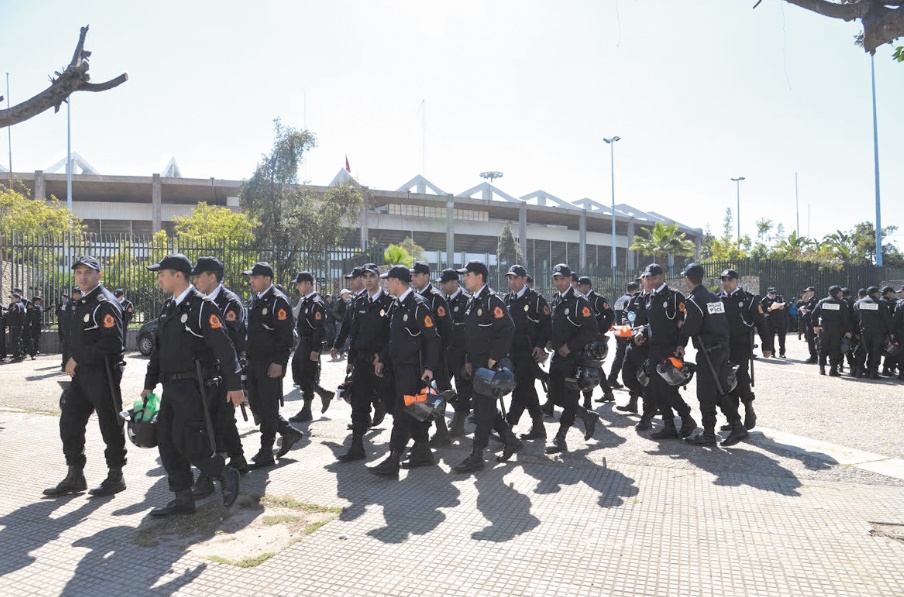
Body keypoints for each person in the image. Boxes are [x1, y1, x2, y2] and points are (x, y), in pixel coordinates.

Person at [141, 254, 242, 516]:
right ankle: (183, 499)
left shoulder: (202, 307)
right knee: (167, 442)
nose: (159, 279)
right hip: (171, 387)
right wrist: (149, 384)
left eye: (162, 274)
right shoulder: (168, 307)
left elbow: (224, 348)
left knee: (188, 442)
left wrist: (235, 384)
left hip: (195, 387)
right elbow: (159, 352)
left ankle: (223, 472)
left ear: (178, 276)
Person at [43, 256, 127, 498]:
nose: (82, 276)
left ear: (99, 275)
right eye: (79, 272)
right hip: (82, 377)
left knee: (109, 425)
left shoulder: (104, 303)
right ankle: (75, 475)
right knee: (69, 421)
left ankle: (115, 475)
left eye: (88, 272)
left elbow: (113, 343)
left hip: (103, 375)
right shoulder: (81, 303)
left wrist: (78, 358)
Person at [369, 265, 442, 477]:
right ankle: (424, 452)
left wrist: (429, 368)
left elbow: (433, 339)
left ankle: (393, 458)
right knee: (415, 412)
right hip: (397, 368)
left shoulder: (418, 305)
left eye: (388, 280)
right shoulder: (396, 305)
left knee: (402, 413)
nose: (385, 284)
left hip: (413, 370)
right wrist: (382, 358)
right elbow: (392, 339)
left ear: (397, 282)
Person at [452, 260, 522, 472]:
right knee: (487, 408)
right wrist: (469, 361)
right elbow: (471, 335)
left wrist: (494, 357)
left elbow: (508, 329)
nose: (464, 278)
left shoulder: (492, 301)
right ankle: (509, 439)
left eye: (467, 275)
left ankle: (477, 455)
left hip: (489, 365)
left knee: (483, 411)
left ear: (479, 277)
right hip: (477, 364)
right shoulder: (473, 301)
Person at [189, 256, 249, 498]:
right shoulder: (201, 302)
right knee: (223, 420)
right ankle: (239, 460)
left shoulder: (229, 302)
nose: (194, 280)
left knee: (213, 425)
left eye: (198, 276)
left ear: (211, 277)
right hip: (209, 373)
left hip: (224, 372)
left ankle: (208, 476)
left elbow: (230, 342)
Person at [679, 263, 748, 447]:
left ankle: (709, 432)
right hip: (722, 347)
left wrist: (681, 326)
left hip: (708, 350)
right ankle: (737, 425)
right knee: (719, 389)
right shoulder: (712, 297)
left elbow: (691, 328)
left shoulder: (694, 300)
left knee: (705, 393)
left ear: (687, 279)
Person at [243, 262, 304, 468]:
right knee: (257, 404)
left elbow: (286, 336)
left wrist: (279, 362)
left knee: (268, 407)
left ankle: (266, 451)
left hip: (270, 364)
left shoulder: (278, 301)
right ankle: (287, 431)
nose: (251, 280)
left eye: (254, 277)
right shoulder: (256, 299)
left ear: (267, 279)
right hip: (254, 361)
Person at [334, 263, 394, 462]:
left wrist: (383, 357)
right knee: (359, 403)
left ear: (379, 278)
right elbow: (354, 333)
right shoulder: (359, 302)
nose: (367, 279)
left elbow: (393, 336)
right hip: (361, 361)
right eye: (364, 276)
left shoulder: (390, 303)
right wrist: (351, 360)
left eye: (371, 276)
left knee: (392, 403)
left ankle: (409, 444)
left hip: (381, 364)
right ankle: (357, 445)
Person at [544, 264, 601, 453]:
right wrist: (550, 341)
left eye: (562, 279)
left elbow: (591, 330)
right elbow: (556, 326)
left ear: (570, 279)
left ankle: (561, 437)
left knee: (569, 397)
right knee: (555, 397)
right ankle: (586, 415)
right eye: (556, 279)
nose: (559, 283)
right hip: (557, 358)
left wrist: (571, 346)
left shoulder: (579, 301)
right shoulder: (556, 300)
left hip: (573, 359)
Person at [639, 263, 697, 440]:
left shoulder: (674, 296)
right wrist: (642, 332)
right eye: (648, 278)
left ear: (662, 276)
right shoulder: (650, 297)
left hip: (670, 349)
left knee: (668, 388)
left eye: (653, 277)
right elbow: (651, 323)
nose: (650, 280)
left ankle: (686, 418)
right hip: (654, 349)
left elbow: (682, 323)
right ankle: (669, 424)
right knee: (657, 388)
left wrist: (681, 345)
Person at [503, 264, 551, 441]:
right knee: (528, 389)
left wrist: (540, 345)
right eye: (510, 278)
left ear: (524, 279)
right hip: (511, 353)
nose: (512, 281)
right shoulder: (508, 299)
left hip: (529, 352)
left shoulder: (535, 299)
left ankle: (508, 425)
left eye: (516, 278)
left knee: (521, 389)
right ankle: (538, 426)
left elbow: (547, 325)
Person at [409, 261, 455, 447]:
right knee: (430, 394)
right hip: (420, 356)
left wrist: (436, 355)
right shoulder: (415, 296)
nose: (412, 278)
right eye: (411, 275)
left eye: (416, 275)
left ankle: (458, 415)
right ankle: (441, 432)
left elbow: (446, 331)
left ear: (426, 276)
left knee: (435, 393)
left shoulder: (436, 298)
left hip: (433, 357)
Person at [718, 269, 770, 431]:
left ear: (737, 281)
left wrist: (767, 346)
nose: (726, 282)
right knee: (726, 380)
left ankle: (748, 408)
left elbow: (761, 324)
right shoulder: (718, 300)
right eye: (723, 279)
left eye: (729, 279)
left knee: (741, 378)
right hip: (724, 347)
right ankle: (733, 417)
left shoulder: (749, 300)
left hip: (741, 346)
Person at [289, 272, 335, 422]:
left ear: (308, 284)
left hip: (310, 343)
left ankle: (307, 409)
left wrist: (316, 349)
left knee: (307, 374)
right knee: (297, 372)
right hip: (302, 342)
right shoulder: (305, 301)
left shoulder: (316, 303)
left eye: (299, 284)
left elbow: (320, 328)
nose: (297, 287)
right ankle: (323, 393)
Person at [438, 268, 473, 438]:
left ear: (454, 282)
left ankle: (459, 423)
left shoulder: (467, 300)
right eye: (441, 283)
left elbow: (469, 332)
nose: (442, 286)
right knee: (443, 387)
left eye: (445, 282)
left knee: (463, 389)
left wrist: (468, 357)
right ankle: (460, 411)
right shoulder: (443, 301)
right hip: (446, 354)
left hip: (461, 355)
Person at [576, 275, 616, 405]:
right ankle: (607, 391)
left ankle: (588, 400)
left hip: (595, 338)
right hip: (584, 337)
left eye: (580, 286)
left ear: (587, 286)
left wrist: (601, 330)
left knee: (590, 365)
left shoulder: (597, 299)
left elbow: (610, 314)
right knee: (593, 365)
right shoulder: (579, 299)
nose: (578, 288)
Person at [811, 285, 852, 377]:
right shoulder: (841, 303)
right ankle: (833, 369)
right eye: (840, 292)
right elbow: (846, 318)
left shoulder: (822, 302)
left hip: (824, 329)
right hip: (837, 330)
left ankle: (822, 368)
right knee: (835, 349)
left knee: (822, 348)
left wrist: (815, 326)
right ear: (838, 292)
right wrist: (848, 330)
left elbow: (814, 314)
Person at [852, 286, 891, 380]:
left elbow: (855, 316)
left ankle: (858, 371)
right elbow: (887, 319)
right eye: (878, 293)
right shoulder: (882, 303)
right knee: (875, 351)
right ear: (875, 293)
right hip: (878, 332)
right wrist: (889, 333)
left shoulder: (858, 302)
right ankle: (872, 372)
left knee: (862, 351)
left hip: (864, 331)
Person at [608, 281, 639, 391]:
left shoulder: (619, 300)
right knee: (630, 357)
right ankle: (633, 381)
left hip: (618, 330)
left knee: (619, 356)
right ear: (635, 289)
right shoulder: (631, 300)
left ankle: (612, 378)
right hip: (627, 330)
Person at [761, 287, 787, 358]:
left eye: (774, 293)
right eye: (772, 293)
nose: (773, 294)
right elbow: (761, 310)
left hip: (780, 320)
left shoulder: (779, 298)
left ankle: (782, 352)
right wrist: (767, 310)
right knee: (771, 337)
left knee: (782, 337)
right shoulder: (764, 300)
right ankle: (772, 352)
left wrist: (783, 307)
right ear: (768, 293)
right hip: (770, 321)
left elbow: (785, 305)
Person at [797, 286, 819, 363]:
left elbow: (815, 311)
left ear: (812, 292)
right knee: (810, 340)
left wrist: (806, 310)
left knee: (812, 340)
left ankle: (814, 357)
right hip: (808, 322)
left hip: (812, 323)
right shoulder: (810, 300)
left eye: (808, 291)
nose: (807, 293)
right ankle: (813, 355)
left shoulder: (815, 300)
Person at [6, 293, 25, 361]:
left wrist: (6, 313)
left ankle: (18, 356)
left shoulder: (16, 305)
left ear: (17, 298)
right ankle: (20, 355)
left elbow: (13, 314)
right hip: (19, 325)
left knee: (15, 341)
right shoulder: (21, 304)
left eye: (12, 298)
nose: (11, 299)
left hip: (16, 326)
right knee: (19, 340)